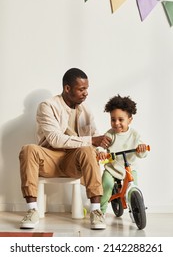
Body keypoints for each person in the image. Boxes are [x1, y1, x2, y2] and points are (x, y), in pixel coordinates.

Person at [19, 68, 112, 230]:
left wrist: (101, 149)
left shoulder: (86, 110)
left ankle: (96, 212)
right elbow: (55, 139)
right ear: (67, 88)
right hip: (50, 160)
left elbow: (94, 136)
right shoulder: (47, 106)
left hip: (74, 162)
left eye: (87, 89)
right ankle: (32, 210)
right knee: (28, 149)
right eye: (81, 89)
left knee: (88, 150)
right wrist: (92, 140)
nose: (86, 93)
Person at [96, 95, 148, 215]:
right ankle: (100, 212)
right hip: (112, 169)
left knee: (134, 187)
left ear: (130, 119)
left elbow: (142, 153)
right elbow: (101, 146)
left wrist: (142, 149)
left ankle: (137, 209)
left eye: (121, 120)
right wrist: (101, 152)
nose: (116, 123)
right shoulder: (110, 134)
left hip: (130, 169)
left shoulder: (134, 135)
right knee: (107, 185)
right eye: (113, 120)